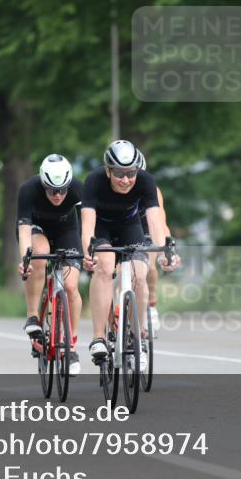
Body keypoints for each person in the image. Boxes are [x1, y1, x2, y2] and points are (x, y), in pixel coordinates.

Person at [80, 140, 179, 370]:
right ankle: (98, 339)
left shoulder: (146, 181)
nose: (125, 179)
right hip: (101, 227)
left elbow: (155, 223)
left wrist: (165, 251)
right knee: (104, 265)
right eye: (119, 174)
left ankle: (136, 340)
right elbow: (87, 226)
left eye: (130, 173)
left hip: (129, 226)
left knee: (140, 273)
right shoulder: (94, 181)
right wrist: (88, 252)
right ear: (108, 170)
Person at [16, 154, 84, 376]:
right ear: (43, 183)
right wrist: (26, 259)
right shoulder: (28, 190)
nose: (58, 195)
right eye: (52, 190)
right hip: (37, 230)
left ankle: (71, 346)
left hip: (67, 230)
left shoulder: (77, 188)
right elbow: (24, 230)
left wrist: (90, 251)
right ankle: (33, 315)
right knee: (40, 253)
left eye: (62, 190)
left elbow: (89, 223)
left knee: (72, 286)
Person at [136, 153, 169, 338]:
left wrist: (166, 249)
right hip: (121, 225)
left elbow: (161, 223)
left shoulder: (152, 190)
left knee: (149, 262)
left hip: (146, 225)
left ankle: (151, 304)